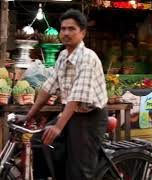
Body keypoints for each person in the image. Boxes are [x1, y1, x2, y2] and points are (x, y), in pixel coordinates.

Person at [22, 9, 107, 180]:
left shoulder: (87, 58)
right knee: (39, 141)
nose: (66, 33)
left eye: (71, 29)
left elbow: (76, 98)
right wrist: (30, 115)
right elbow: (48, 88)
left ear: (82, 33)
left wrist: (58, 126)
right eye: (63, 29)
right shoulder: (62, 56)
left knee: (78, 171)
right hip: (70, 113)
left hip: (89, 118)